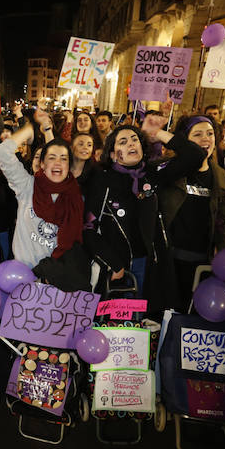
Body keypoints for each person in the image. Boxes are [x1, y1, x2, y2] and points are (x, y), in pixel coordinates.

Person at [84, 105, 207, 313]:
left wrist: (157, 133)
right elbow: (88, 227)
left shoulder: (153, 173)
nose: (131, 144)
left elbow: (195, 155)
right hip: (117, 267)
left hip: (150, 265)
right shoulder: (102, 179)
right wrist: (113, 263)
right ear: (113, 155)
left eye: (135, 140)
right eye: (123, 142)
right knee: (114, 328)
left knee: (143, 324)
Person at [0, 122, 85, 288]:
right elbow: (3, 152)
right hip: (23, 277)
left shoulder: (75, 196)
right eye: (52, 158)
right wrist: (27, 131)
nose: (58, 163)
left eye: (64, 159)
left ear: (69, 166)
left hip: (58, 279)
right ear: (42, 164)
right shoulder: (27, 185)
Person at [160, 115, 225, 311]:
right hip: (168, 259)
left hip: (201, 261)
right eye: (197, 134)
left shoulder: (222, 176)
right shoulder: (171, 170)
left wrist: (224, 254)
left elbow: (222, 220)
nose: (205, 139)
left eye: (210, 134)